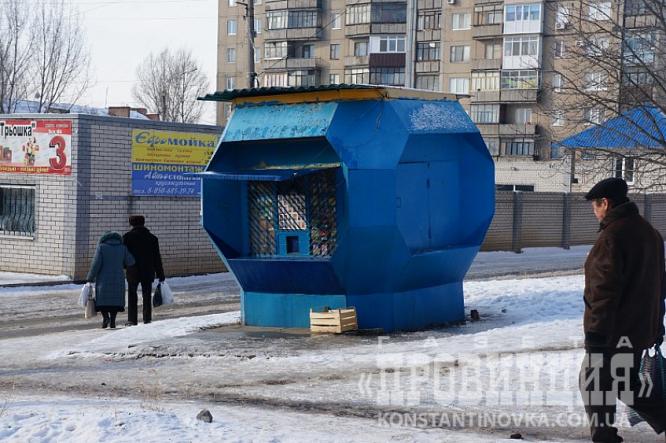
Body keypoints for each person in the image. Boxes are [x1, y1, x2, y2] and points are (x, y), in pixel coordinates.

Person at [579, 177, 666, 442]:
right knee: (626, 385)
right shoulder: (649, 232)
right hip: (639, 330)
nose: (594, 212)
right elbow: (658, 286)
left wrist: (595, 335)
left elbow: (603, 291)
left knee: (593, 384)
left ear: (604, 203)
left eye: (595, 205)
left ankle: (605, 438)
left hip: (613, 333)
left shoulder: (612, 237)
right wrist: (656, 326)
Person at [86, 231, 135, 329]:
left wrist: (90, 277)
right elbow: (131, 261)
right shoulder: (123, 248)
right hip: (118, 279)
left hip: (103, 280)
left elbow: (96, 264)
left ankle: (105, 318)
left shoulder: (102, 247)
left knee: (103, 301)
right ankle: (112, 321)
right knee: (115, 302)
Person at [123, 215, 165, 326]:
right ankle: (147, 318)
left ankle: (132, 320)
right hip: (148, 270)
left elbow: (124, 256)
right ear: (143, 223)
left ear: (131, 224)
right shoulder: (152, 238)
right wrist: (161, 274)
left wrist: (124, 267)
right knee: (147, 295)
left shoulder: (127, 237)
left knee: (132, 295)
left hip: (132, 271)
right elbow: (157, 257)